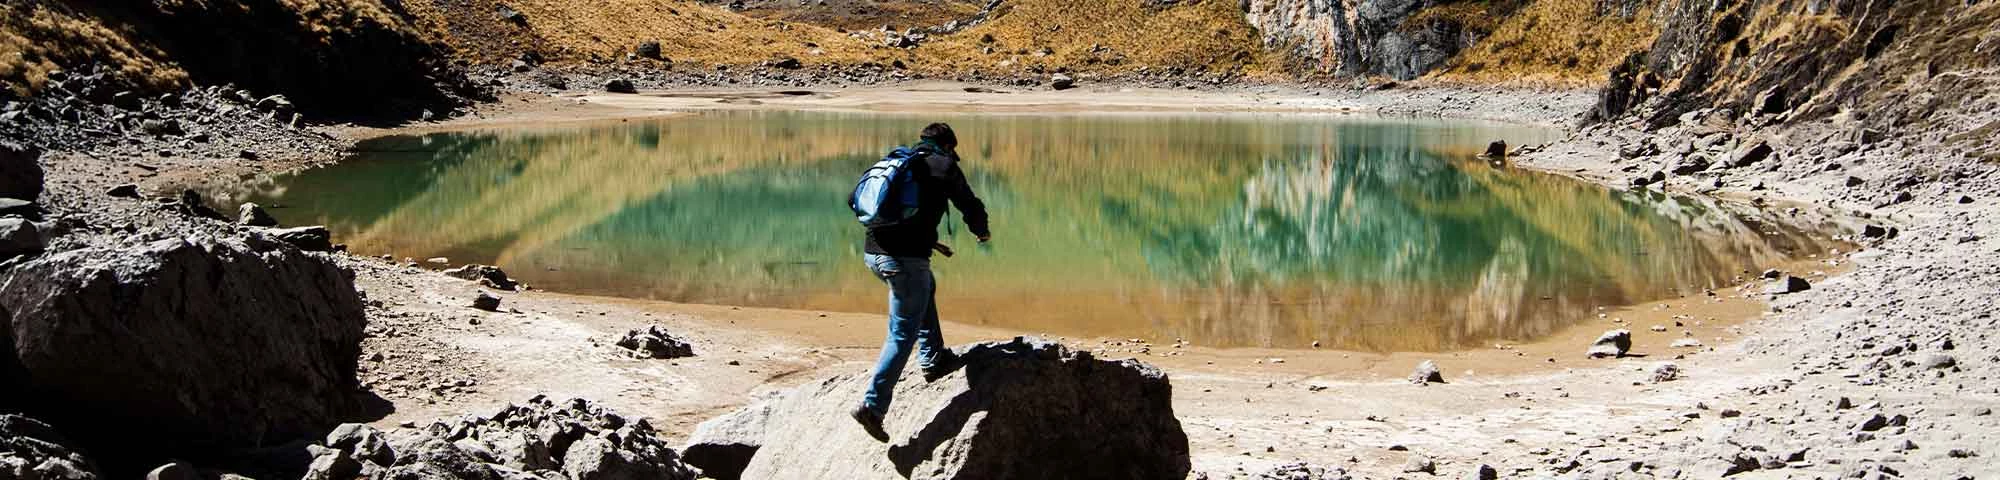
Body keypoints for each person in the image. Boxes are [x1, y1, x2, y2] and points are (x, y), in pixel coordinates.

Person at [850, 122, 990, 441]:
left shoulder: (897, 162)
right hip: (903, 261)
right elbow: (969, 204)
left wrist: (925, 239)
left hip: (874, 254)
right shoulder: (944, 166)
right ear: (949, 146)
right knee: (902, 334)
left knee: (925, 287)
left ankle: (933, 358)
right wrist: (982, 231)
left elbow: (854, 200)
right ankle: (873, 407)